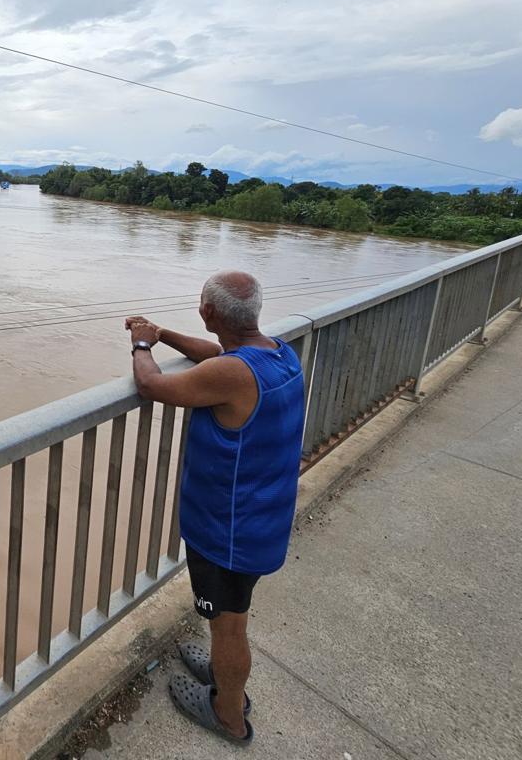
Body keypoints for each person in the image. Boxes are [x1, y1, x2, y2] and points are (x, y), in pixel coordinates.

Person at [125, 270, 304, 745]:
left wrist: (142, 348)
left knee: (229, 626)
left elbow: (153, 387)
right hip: (262, 517)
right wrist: (162, 333)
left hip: (229, 528)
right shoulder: (278, 353)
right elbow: (218, 357)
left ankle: (228, 712)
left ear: (209, 312)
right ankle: (227, 677)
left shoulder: (232, 373)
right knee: (231, 616)